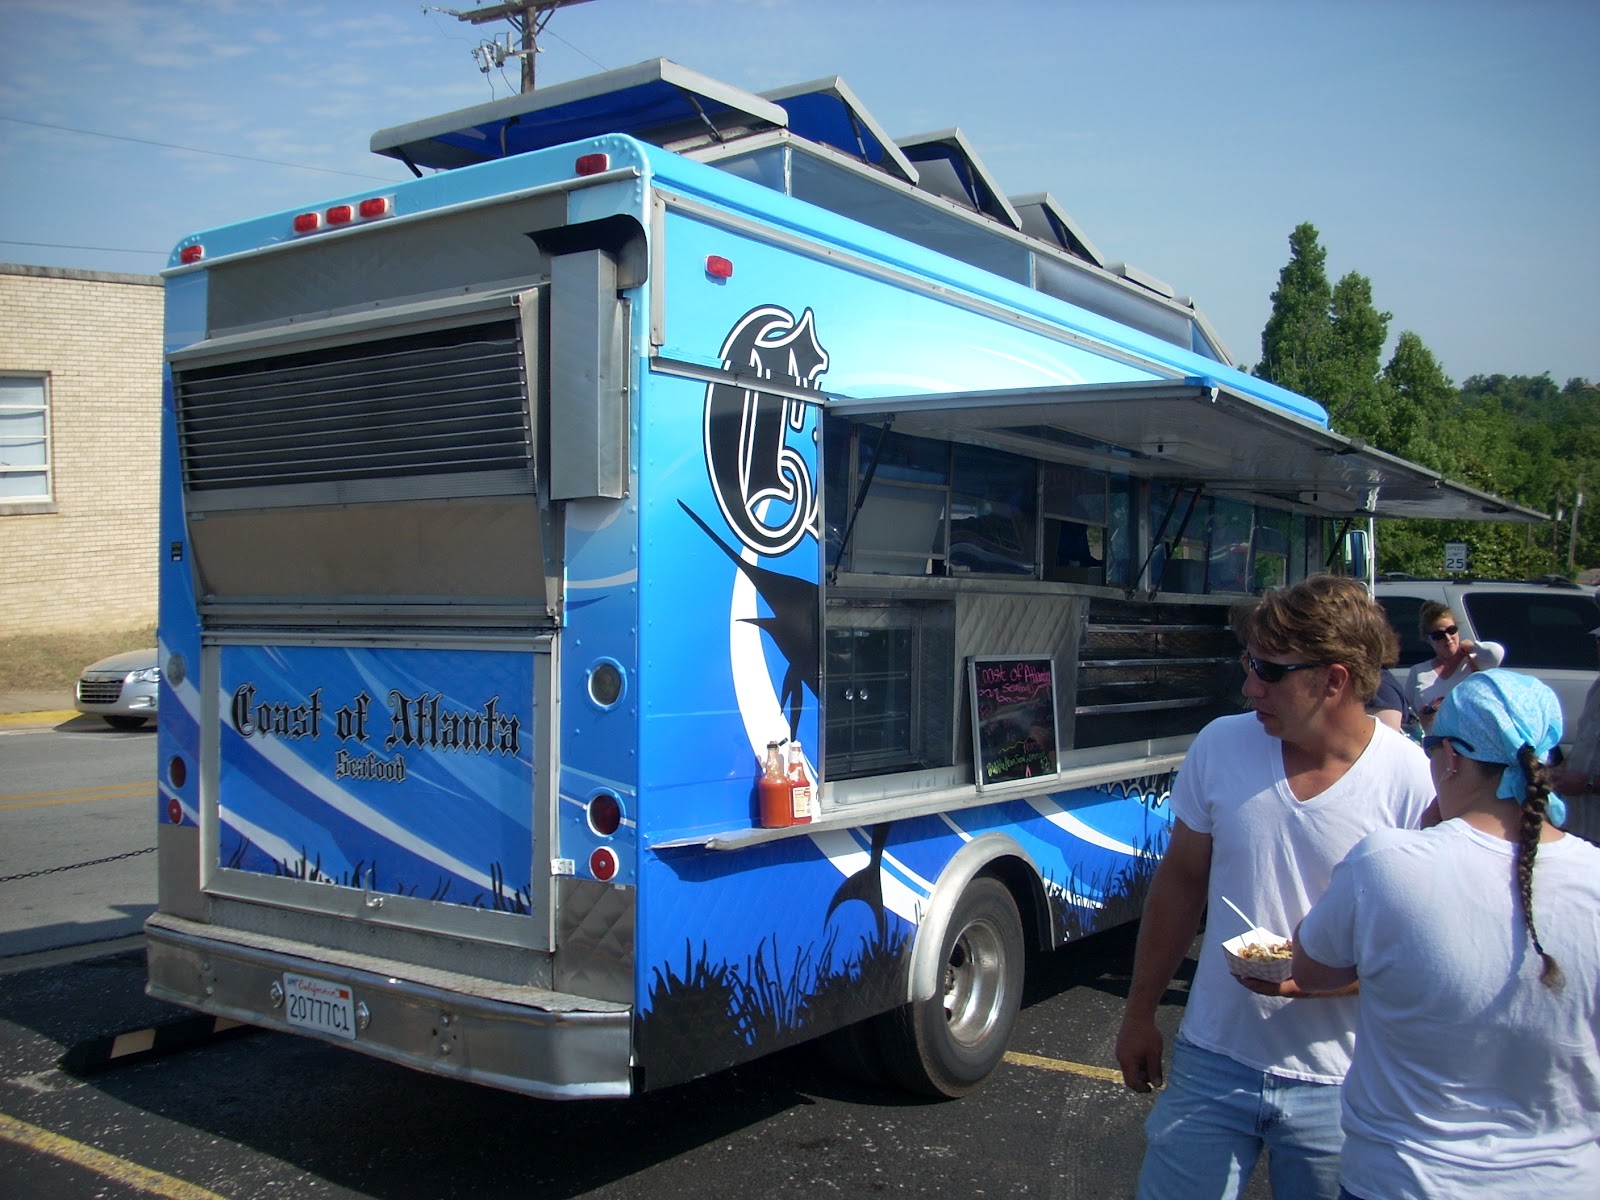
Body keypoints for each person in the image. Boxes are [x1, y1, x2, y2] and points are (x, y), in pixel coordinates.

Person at [1115, 574, 1435, 1200]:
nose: (1249, 686)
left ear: (1334, 680)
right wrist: (1138, 1014)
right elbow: (1180, 884)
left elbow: (1417, 949)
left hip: (1341, 1081)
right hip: (1214, 1057)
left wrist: (1319, 979)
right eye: (1248, 662)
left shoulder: (1410, 783)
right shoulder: (1221, 744)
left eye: (1268, 670)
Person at [1293, 670, 1600, 1199]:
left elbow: (1311, 969)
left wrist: (1421, 839)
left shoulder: (1388, 863)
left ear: (1452, 757)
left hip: (1403, 1181)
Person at [1404, 602, 1503, 734]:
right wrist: (1423, 718)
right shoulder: (1418, 671)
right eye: (1438, 635)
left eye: (1451, 630)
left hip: (1472, 740)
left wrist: (1473, 646)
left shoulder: (1474, 662)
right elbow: (1409, 710)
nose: (1448, 638)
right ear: (1427, 639)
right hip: (1436, 742)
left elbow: (1496, 652)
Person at [1547, 623, 1600, 845]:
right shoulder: (1597, 687)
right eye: (1598, 641)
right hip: (1581, 831)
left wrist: (1588, 784)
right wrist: (1559, 772)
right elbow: (1585, 746)